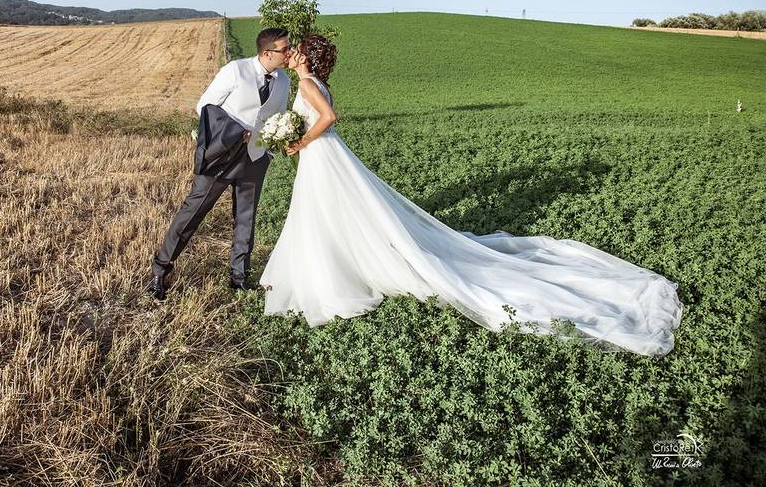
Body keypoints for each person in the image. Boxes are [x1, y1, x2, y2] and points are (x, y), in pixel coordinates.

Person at [259, 34, 683, 357]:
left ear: (307, 58)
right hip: (327, 159)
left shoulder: (310, 84)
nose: (290, 53)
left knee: (326, 213)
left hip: (322, 155)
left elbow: (329, 119)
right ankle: (345, 261)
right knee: (333, 213)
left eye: (295, 51)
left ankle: (337, 272)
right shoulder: (315, 82)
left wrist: (300, 142)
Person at [149, 27, 293, 300]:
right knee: (192, 212)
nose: (289, 53)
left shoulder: (284, 81)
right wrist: (236, 134)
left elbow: (278, 117)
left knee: (245, 219)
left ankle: (238, 277)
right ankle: (160, 270)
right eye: (285, 49)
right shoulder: (235, 71)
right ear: (267, 52)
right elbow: (205, 107)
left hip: (255, 159)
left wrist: (269, 153)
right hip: (222, 157)